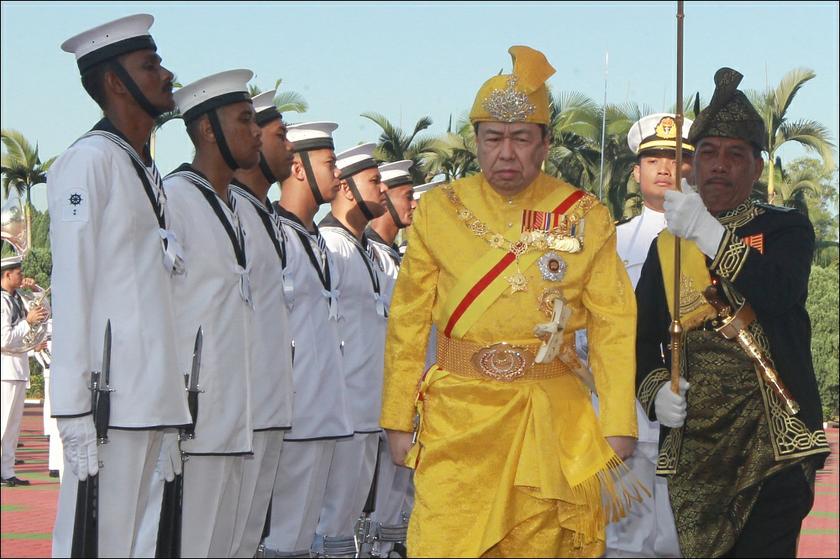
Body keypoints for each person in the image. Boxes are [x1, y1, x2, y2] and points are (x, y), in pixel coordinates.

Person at [381, 45, 638, 557]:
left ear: (545, 143)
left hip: (548, 418)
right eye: (493, 138)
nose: (506, 152)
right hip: (457, 420)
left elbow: (614, 323)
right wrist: (395, 417)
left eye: (521, 138)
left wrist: (617, 424)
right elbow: (407, 319)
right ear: (475, 141)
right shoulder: (438, 210)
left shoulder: (584, 215)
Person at [635, 67, 831, 558]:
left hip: (772, 438)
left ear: (757, 165)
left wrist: (710, 234)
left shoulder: (786, 228)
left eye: (734, 155)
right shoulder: (666, 247)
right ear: (691, 166)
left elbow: (780, 292)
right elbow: (639, 340)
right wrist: (655, 389)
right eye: (708, 153)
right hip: (695, 446)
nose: (719, 165)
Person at [48, 14, 192, 556]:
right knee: (93, 543)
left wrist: (173, 404)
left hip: (150, 399)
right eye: (149, 65)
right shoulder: (88, 163)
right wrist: (72, 409)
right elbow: (73, 285)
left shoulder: (142, 168)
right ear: (115, 82)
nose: (166, 73)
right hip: (110, 402)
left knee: (137, 545)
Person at [163, 68, 261, 557]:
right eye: (244, 120)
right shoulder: (174, 198)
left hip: (234, 416)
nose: (256, 132)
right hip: (193, 420)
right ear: (207, 129)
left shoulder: (233, 206)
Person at [598, 113, 694, 558]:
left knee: (683, 538)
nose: (664, 168)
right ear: (636, 172)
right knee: (625, 540)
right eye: (653, 158)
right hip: (626, 415)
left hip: (692, 412)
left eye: (676, 158)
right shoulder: (609, 243)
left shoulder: (710, 239)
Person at [264, 121, 354, 557]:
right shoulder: (275, 234)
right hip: (293, 413)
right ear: (298, 169)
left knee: (304, 540)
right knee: (281, 538)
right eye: (329, 163)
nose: (338, 175)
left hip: (324, 411)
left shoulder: (315, 239)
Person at [227, 89, 295, 558]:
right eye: (279, 134)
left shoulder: (264, 215)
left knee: (248, 536)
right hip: (232, 407)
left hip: (271, 402)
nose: (287, 145)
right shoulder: (226, 207)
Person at [315, 143, 389, 557]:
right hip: (340, 413)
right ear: (345, 188)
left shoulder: (367, 251)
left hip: (366, 411)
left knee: (346, 526)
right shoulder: (331, 244)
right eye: (373, 181)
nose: (380, 190)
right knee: (327, 526)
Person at [366, 160, 419, 557]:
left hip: (406, 397)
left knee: (394, 508)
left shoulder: (395, 260)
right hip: (366, 400)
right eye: (407, 195)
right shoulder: (366, 253)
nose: (414, 204)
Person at [1, 257, 47, 487]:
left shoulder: (18, 297)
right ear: (7, 275)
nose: (22, 276)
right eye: (18, 273)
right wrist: (27, 323)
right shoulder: (2, 302)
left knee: (12, 426)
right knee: (2, 423)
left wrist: (36, 289)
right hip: (5, 369)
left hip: (18, 368)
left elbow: (44, 313)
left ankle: (7, 471)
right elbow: (4, 338)